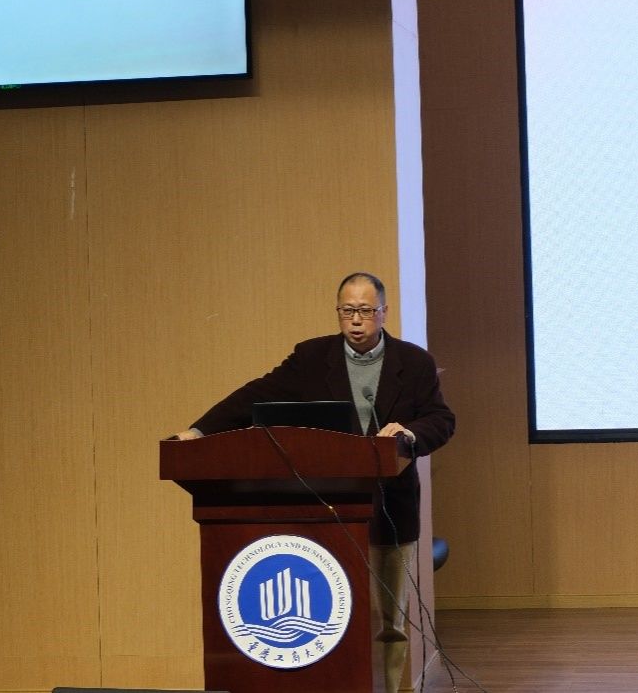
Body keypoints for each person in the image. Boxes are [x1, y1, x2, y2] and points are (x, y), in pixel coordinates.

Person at [174, 272, 455, 693]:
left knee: (389, 621)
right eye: (347, 311)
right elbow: (257, 394)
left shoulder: (414, 362)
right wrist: (198, 431)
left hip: (390, 510)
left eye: (365, 311)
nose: (356, 320)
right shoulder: (311, 357)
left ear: (384, 312)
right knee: (337, 616)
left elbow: (441, 419)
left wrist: (410, 434)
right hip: (327, 511)